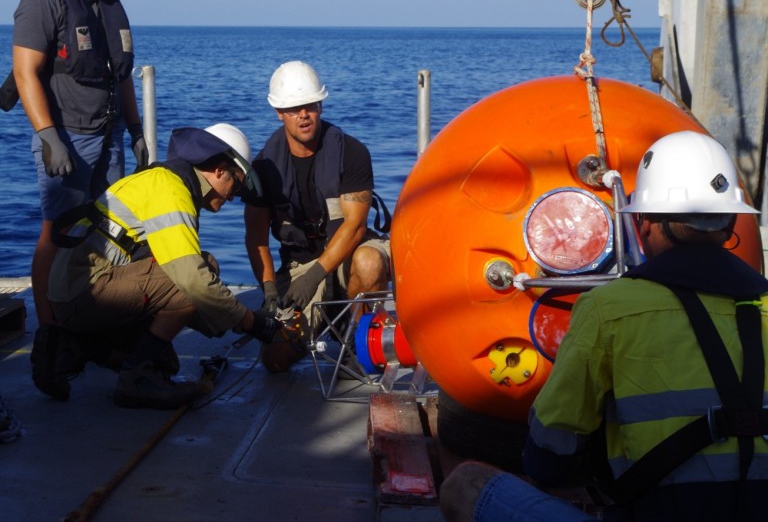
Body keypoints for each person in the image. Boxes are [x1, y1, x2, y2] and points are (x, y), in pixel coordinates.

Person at [440, 130, 768, 522]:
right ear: (731, 222)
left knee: (466, 484)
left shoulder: (609, 308)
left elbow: (549, 461)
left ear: (645, 224)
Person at [35, 124, 297, 410]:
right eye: (236, 183)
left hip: (76, 291)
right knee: (198, 272)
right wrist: (253, 322)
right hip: (84, 293)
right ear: (221, 170)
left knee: (165, 363)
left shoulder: (161, 180)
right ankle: (134, 381)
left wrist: (225, 319)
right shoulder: (172, 191)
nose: (233, 196)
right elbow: (191, 281)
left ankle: (73, 347)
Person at [12, 0, 147, 336]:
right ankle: (50, 328)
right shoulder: (43, 1)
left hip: (110, 137)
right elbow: (24, 72)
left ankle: (94, 314)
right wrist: (49, 138)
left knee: (109, 230)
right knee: (60, 230)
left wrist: (137, 129)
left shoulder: (106, 5)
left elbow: (121, 74)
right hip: (68, 139)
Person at [244, 61, 391, 373]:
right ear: (279, 112)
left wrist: (316, 276)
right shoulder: (263, 168)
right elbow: (256, 237)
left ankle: (358, 339)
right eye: (293, 108)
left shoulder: (351, 153)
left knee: (369, 262)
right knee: (275, 360)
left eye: (309, 105)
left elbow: (355, 226)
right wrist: (269, 287)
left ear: (320, 104)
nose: (303, 115)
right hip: (300, 264)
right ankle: (317, 329)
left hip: (350, 254)